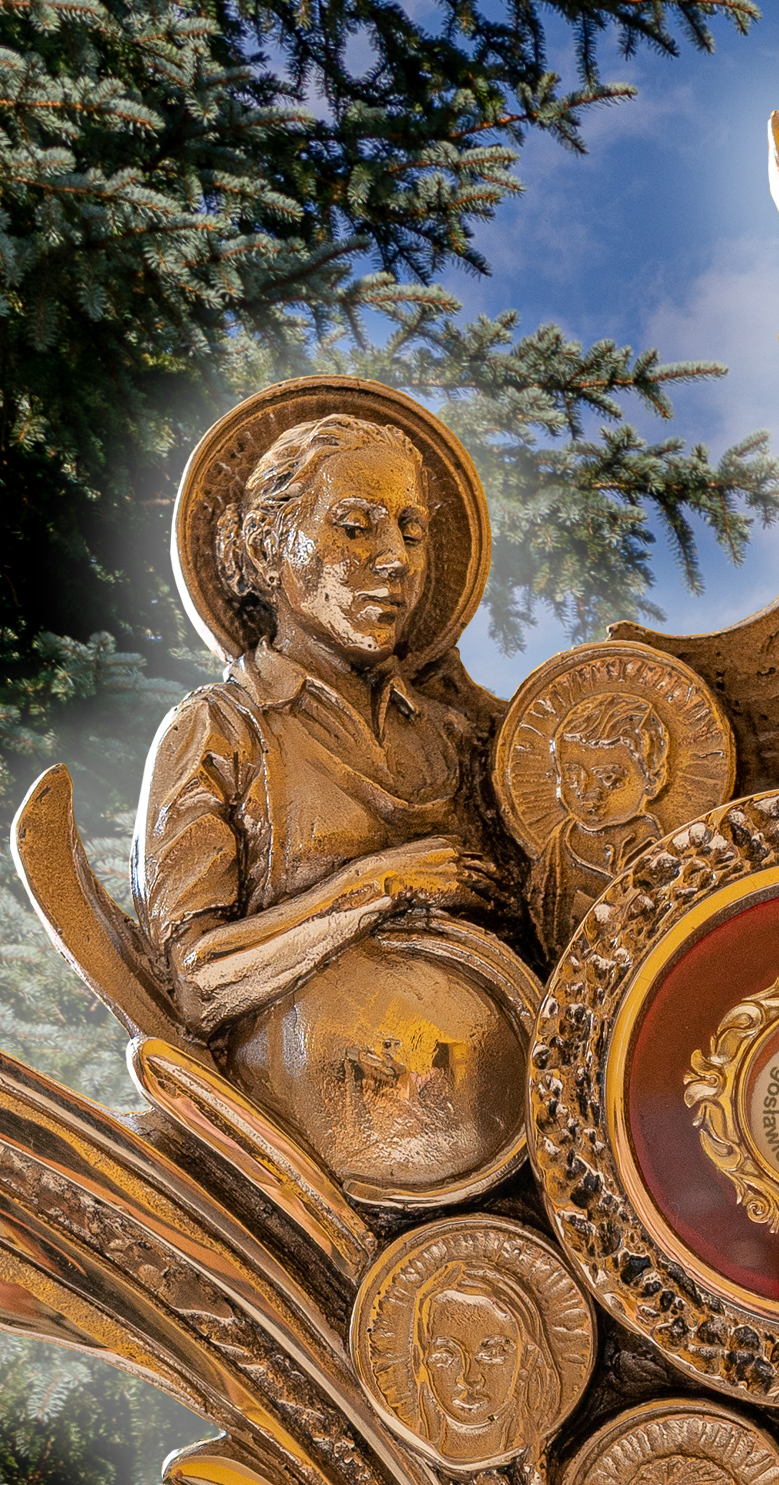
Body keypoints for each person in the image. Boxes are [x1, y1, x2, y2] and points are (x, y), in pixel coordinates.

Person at [137, 399, 538, 1198]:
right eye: (354, 527)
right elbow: (197, 981)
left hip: (512, 1157)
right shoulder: (222, 731)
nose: (394, 559)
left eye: (411, 531)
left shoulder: (461, 743)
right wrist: (381, 885)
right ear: (266, 546)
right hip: (306, 1177)